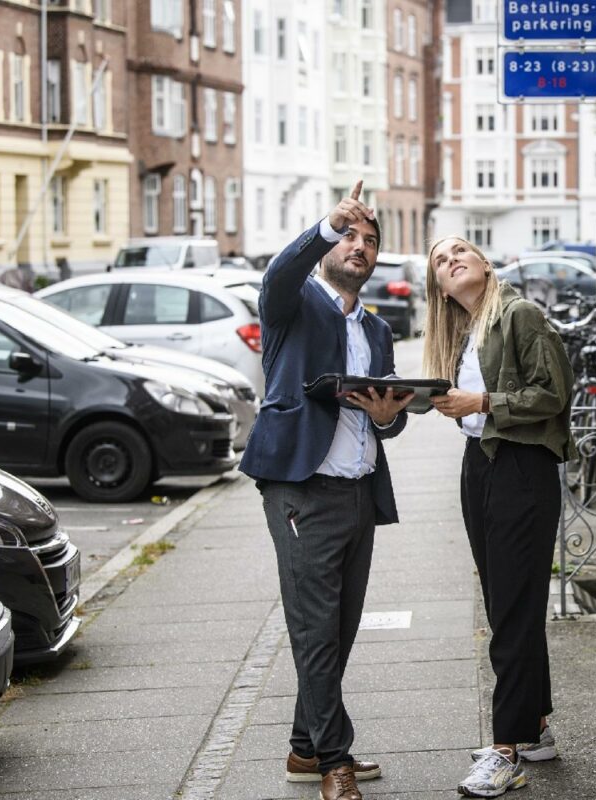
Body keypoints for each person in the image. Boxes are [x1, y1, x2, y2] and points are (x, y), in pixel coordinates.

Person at [239, 180, 414, 800]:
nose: (358, 246)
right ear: (329, 247)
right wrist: (326, 221)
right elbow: (278, 272)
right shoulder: (293, 304)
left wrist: (391, 411)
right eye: (349, 237)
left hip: (360, 491)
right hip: (301, 490)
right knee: (314, 627)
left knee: (336, 628)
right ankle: (334, 761)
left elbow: (384, 421)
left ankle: (303, 747)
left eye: (369, 240)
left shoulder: (380, 331)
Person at [422, 236, 577, 798]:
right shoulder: (465, 331)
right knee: (507, 602)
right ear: (438, 286)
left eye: (461, 250)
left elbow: (553, 394)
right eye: (440, 260)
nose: (452, 259)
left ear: (485, 263)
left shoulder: (520, 314)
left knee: (511, 610)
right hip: (481, 465)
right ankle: (533, 728)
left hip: (521, 469)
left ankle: (507, 749)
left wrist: (483, 404)